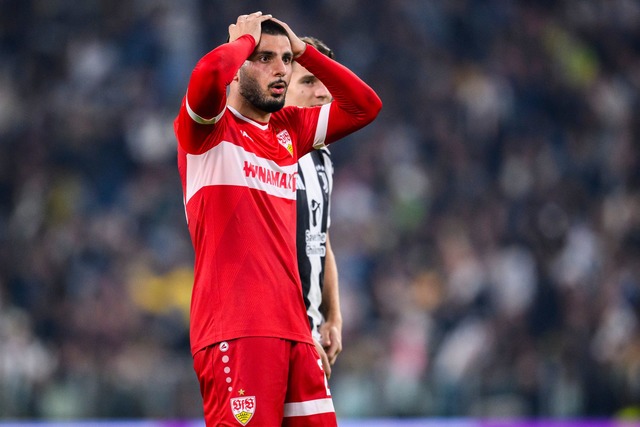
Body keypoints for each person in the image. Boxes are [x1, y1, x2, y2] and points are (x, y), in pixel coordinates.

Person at [173, 12, 381, 427]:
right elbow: (209, 71)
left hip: (296, 331)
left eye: (286, 60)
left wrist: (304, 51)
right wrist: (242, 42)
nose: (280, 69)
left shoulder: (289, 132)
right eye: (265, 58)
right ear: (239, 67)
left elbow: (365, 107)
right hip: (237, 327)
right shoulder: (207, 133)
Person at [286, 37, 343, 379]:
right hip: (274, 337)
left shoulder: (322, 156)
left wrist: (333, 317)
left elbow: (320, 239)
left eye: (328, 84)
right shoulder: (257, 152)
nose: (323, 94)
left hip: (307, 337)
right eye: (308, 82)